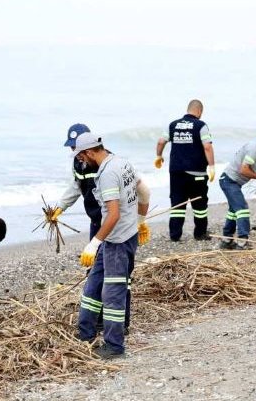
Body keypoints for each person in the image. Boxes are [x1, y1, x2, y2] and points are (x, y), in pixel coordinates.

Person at [73, 132, 150, 358]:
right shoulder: (122, 162)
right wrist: (141, 223)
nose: (80, 161)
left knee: (113, 292)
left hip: (117, 240)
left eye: (81, 157)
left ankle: (114, 346)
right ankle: (86, 332)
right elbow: (144, 192)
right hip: (125, 235)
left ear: (88, 152)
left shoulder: (106, 174)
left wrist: (93, 243)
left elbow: (113, 214)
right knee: (95, 281)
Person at [155, 99, 216, 241]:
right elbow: (207, 147)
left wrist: (159, 156)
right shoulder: (201, 125)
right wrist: (212, 166)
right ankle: (200, 234)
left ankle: (175, 236)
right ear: (199, 111)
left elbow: (160, 141)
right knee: (199, 204)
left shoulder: (173, 125)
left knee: (177, 203)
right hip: (196, 173)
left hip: (176, 173)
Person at [218, 127, 256, 250]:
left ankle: (226, 240)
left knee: (234, 211)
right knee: (242, 209)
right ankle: (242, 242)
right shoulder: (254, 148)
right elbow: (243, 169)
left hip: (235, 182)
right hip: (229, 181)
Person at [49, 123, 106, 240]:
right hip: (95, 218)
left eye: (77, 147)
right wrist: (60, 207)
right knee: (95, 255)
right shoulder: (77, 163)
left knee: (105, 255)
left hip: (110, 220)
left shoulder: (106, 162)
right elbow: (76, 185)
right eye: (72, 147)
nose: (75, 152)